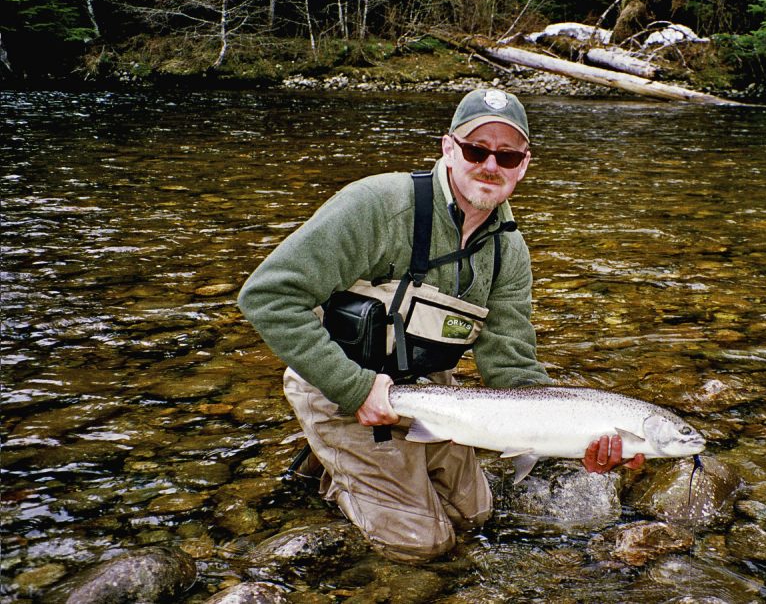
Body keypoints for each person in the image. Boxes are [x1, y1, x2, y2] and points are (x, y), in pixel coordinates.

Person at [238, 89, 642, 562]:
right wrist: (353, 388)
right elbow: (267, 296)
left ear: (523, 165)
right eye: (477, 150)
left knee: (474, 517)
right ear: (449, 148)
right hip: (337, 379)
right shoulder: (377, 206)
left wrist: (572, 434)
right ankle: (334, 454)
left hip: (429, 389)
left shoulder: (508, 251)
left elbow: (510, 363)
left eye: (507, 155)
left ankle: (351, 460)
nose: (491, 165)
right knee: (423, 545)